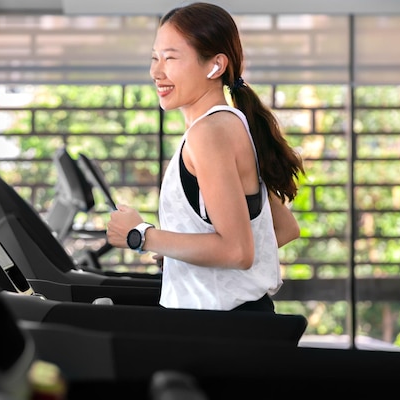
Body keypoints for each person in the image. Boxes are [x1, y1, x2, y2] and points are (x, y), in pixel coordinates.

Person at [106, 2, 305, 312]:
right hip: (236, 320)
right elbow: (284, 228)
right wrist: (185, 251)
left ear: (215, 66)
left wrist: (141, 236)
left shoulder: (209, 133)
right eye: (155, 58)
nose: (156, 72)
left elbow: (238, 250)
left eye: (171, 58)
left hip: (225, 329)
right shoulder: (228, 124)